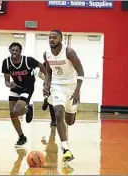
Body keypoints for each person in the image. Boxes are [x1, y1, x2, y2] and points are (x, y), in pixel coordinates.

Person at [43, 30, 84, 162]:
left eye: (54, 37)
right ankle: (65, 148)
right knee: (58, 113)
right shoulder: (47, 54)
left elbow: (81, 71)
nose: (51, 40)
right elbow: (48, 73)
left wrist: (77, 90)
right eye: (50, 38)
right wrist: (46, 85)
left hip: (72, 87)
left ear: (61, 38)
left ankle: (73, 111)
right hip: (57, 86)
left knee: (69, 122)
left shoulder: (69, 52)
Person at [2, 42, 46, 146]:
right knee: (12, 114)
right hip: (16, 87)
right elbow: (7, 81)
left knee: (16, 111)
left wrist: (47, 80)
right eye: (12, 50)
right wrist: (9, 85)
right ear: (9, 51)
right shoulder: (6, 62)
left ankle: (28, 109)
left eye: (16, 50)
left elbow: (41, 66)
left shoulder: (28, 60)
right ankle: (22, 137)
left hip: (28, 87)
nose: (14, 52)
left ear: (20, 51)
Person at [38, 62, 56, 126]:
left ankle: (53, 121)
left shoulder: (46, 63)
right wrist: (47, 81)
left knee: (52, 102)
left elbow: (39, 74)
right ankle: (54, 121)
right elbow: (39, 74)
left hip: (51, 84)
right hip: (50, 85)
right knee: (52, 103)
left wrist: (46, 80)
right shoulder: (46, 63)